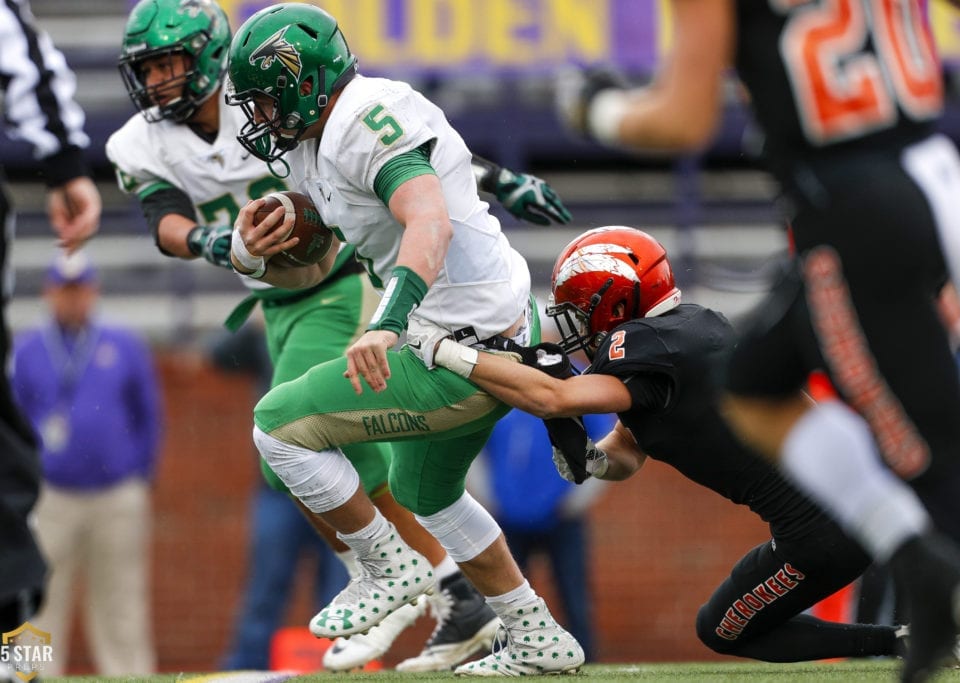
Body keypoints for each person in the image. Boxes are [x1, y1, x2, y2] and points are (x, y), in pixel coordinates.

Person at [555, 1, 960, 680]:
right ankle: (915, 555)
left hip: (846, 206)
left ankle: (923, 553)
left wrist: (594, 109)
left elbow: (683, 119)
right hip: (929, 180)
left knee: (948, 471)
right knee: (754, 382)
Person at [105, 0, 570, 671]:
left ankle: (412, 581)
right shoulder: (149, 141)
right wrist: (219, 240)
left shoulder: (285, 102)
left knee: (299, 433)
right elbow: (164, 221)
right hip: (276, 300)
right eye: (147, 69)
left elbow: (403, 156)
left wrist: (498, 179)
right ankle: (445, 589)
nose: (157, 82)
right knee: (308, 451)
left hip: (342, 283)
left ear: (209, 57)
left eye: (169, 64)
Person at [431, 225, 960, 667]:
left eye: (580, 309)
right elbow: (627, 451)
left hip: (822, 529)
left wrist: (448, 353)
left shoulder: (648, 345)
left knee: (726, 629)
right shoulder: (684, 334)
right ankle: (911, 636)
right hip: (840, 507)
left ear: (614, 303)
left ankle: (907, 638)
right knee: (722, 625)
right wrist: (590, 459)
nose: (575, 326)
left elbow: (555, 397)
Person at [0, 0, 102, 646]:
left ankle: (16, 653)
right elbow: (19, 55)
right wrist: (64, 160)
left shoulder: (111, 344)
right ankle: (14, 648)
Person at [11, 251, 162, 675]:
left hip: (116, 492)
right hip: (50, 493)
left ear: (94, 292)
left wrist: (140, 475)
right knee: (37, 595)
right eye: (64, 290)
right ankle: (32, 675)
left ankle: (128, 674)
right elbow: (15, 423)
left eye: (80, 290)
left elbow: (148, 415)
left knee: (123, 599)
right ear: (49, 293)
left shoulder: (124, 345)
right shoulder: (27, 350)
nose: (73, 300)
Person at [207, 320, 350, 671]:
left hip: (342, 484)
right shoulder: (275, 321)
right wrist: (251, 323)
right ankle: (246, 670)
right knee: (265, 587)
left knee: (341, 593)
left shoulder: (344, 317)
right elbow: (218, 356)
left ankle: (342, 669)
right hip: (279, 487)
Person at [473, 407, 613, 662]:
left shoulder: (577, 394)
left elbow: (607, 450)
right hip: (507, 521)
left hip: (562, 519)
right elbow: (472, 451)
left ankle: (585, 661)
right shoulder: (499, 396)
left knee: (574, 597)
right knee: (502, 599)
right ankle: (498, 658)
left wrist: (574, 502)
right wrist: (492, 500)